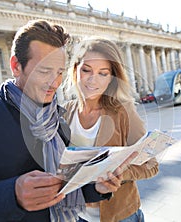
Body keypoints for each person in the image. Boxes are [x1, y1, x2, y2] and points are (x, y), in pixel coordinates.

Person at [0, 20, 131, 222]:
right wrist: (11, 195)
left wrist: (97, 187)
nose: (55, 83)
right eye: (44, 71)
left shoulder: (59, 119)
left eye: (60, 72)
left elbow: (66, 185)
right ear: (16, 66)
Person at [62, 39, 159, 222]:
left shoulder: (124, 111)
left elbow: (151, 165)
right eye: (86, 70)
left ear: (112, 77)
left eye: (103, 73)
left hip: (120, 216)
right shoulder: (65, 112)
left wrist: (120, 174)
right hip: (77, 215)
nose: (93, 80)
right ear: (75, 70)